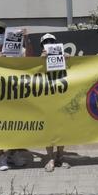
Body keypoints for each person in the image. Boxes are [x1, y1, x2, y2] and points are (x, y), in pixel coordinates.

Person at [0, 21, 33, 171]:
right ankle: (1, 156)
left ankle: (13, 153)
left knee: (16, 125)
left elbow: (29, 58)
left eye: (1, 32)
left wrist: (26, 38)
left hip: (15, 94)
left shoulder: (17, 49)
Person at [40, 32, 70, 172]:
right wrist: (41, 60)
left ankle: (60, 156)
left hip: (62, 97)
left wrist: (70, 59)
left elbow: (78, 69)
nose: (49, 43)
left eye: (52, 41)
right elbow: (34, 73)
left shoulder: (63, 57)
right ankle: (50, 158)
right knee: (49, 130)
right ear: (42, 45)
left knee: (62, 128)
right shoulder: (39, 59)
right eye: (46, 42)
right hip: (47, 99)